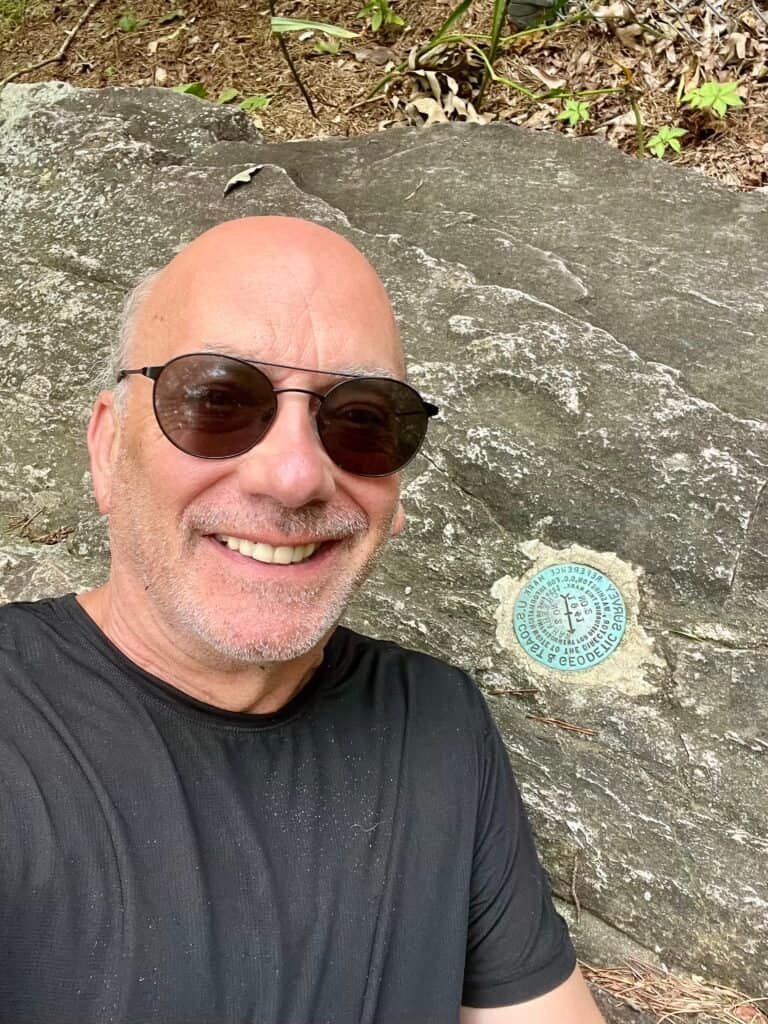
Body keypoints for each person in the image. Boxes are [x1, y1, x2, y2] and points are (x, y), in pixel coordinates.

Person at [0, 217, 606, 1023]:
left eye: (361, 418)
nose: (292, 476)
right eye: (217, 399)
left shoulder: (437, 723)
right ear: (110, 448)